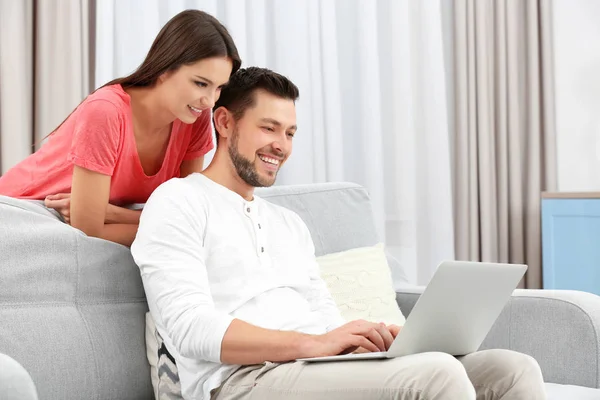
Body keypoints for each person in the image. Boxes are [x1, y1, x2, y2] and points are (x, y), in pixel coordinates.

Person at [130, 67, 547, 400]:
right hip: (245, 379)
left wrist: (367, 339)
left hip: (317, 369)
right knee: (436, 377)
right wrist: (311, 345)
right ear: (224, 122)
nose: (282, 145)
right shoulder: (178, 201)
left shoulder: (288, 224)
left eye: (290, 133)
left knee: (513, 370)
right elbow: (189, 328)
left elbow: (323, 315)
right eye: (269, 128)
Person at [0, 10, 240, 247]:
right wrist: (172, 228)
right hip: (21, 209)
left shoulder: (194, 117)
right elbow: (89, 232)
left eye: (218, 88)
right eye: (200, 83)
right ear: (165, 69)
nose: (209, 100)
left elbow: (188, 212)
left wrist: (114, 214)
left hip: (80, 217)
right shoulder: (106, 110)